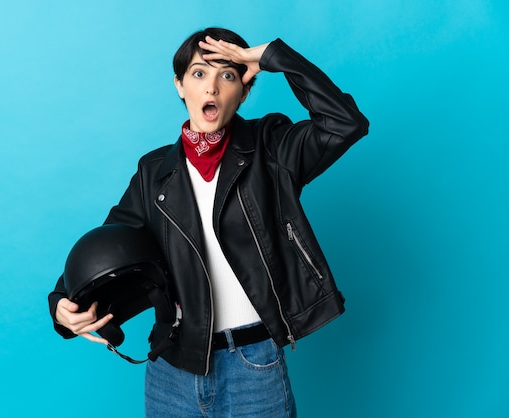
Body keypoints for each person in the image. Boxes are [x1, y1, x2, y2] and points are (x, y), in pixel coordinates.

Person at [48, 27, 369, 417]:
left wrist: (274, 56)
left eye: (227, 75)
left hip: (255, 365)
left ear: (244, 91)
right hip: (172, 367)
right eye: (199, 74)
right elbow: (111, 243)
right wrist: (63, 303)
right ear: (180, 86)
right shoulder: (154, 173)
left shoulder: (272, 149)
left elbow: (345, 122)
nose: (212, 87)